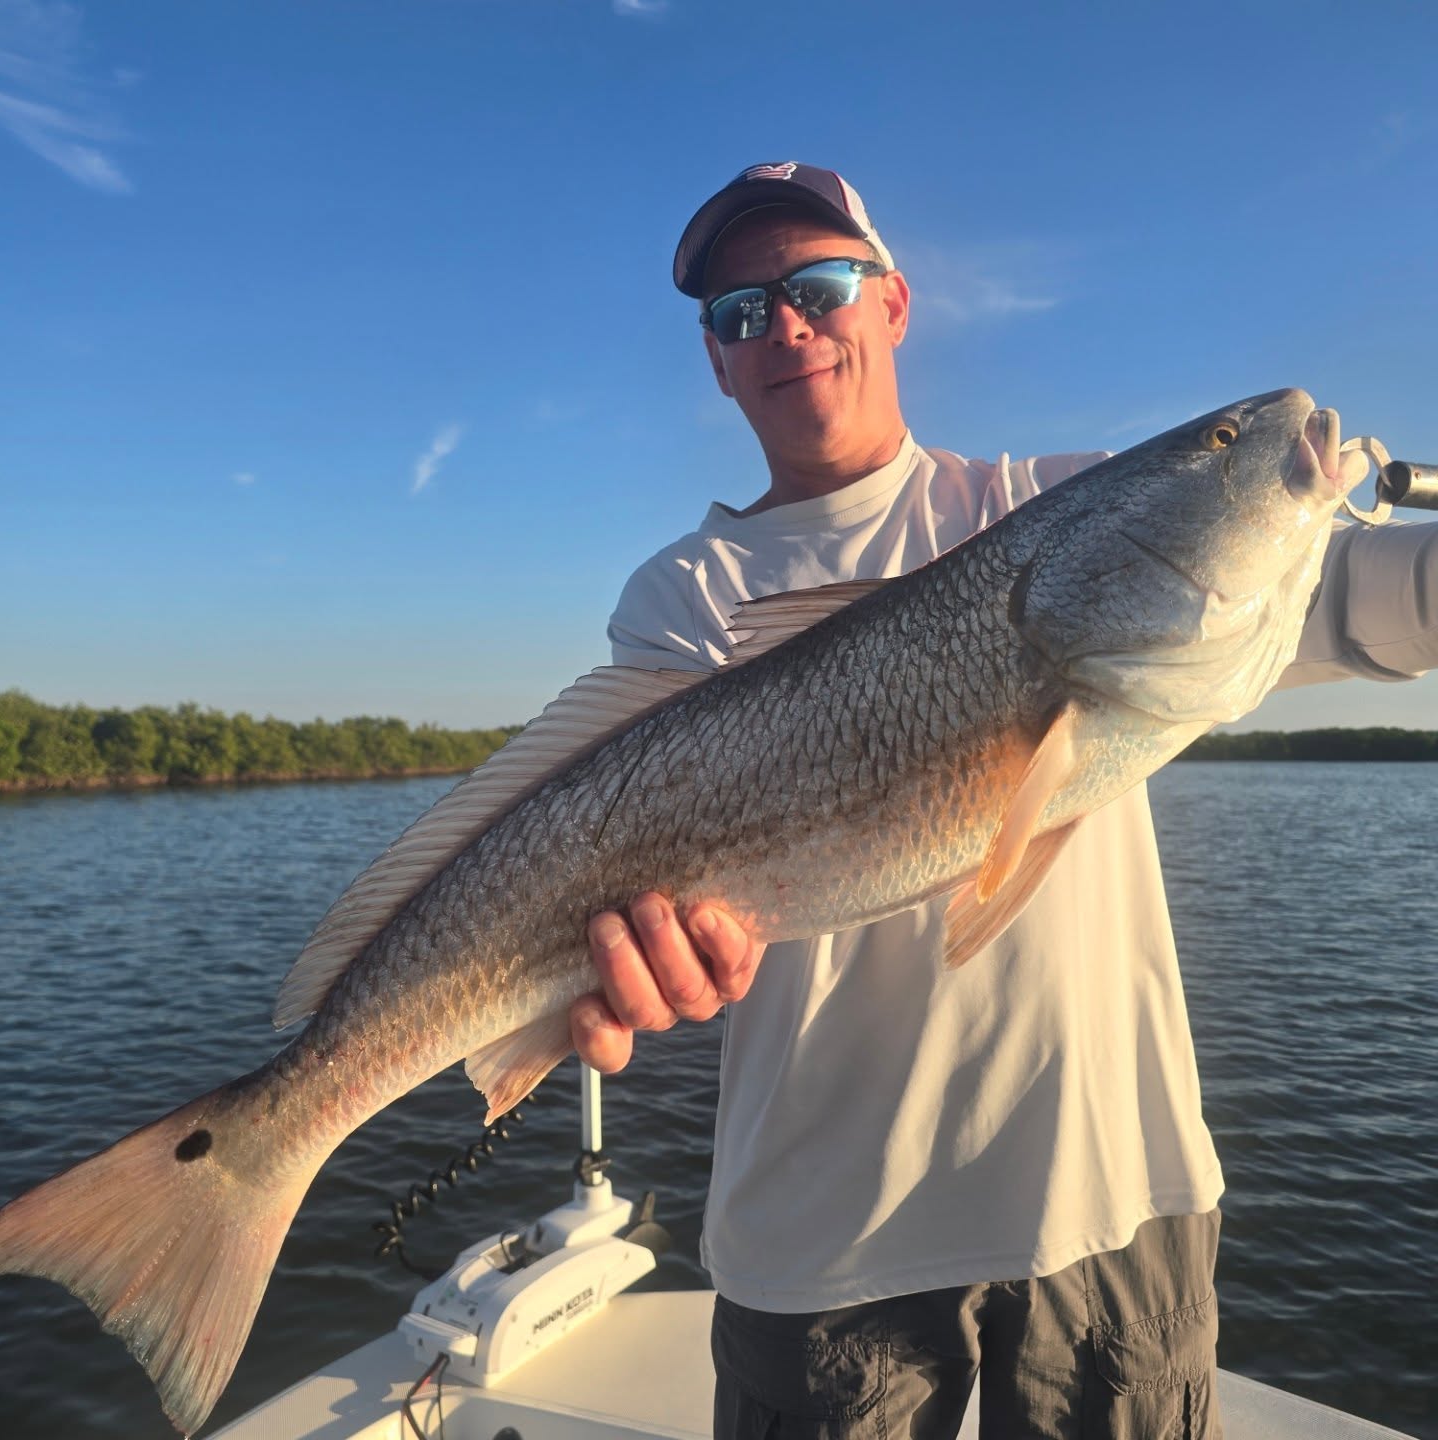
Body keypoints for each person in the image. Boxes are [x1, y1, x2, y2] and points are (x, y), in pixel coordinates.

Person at [564, 162, 1438, 1438]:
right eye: (741, 312)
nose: (787, 326)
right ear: (715, 360)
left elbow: (1365, 595)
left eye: (818, 287)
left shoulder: (1045, 510)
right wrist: (642, 971)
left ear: (896, 303)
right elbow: (627, 883)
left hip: (1110, 1194)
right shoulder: (686, 593)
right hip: (821, 1241)